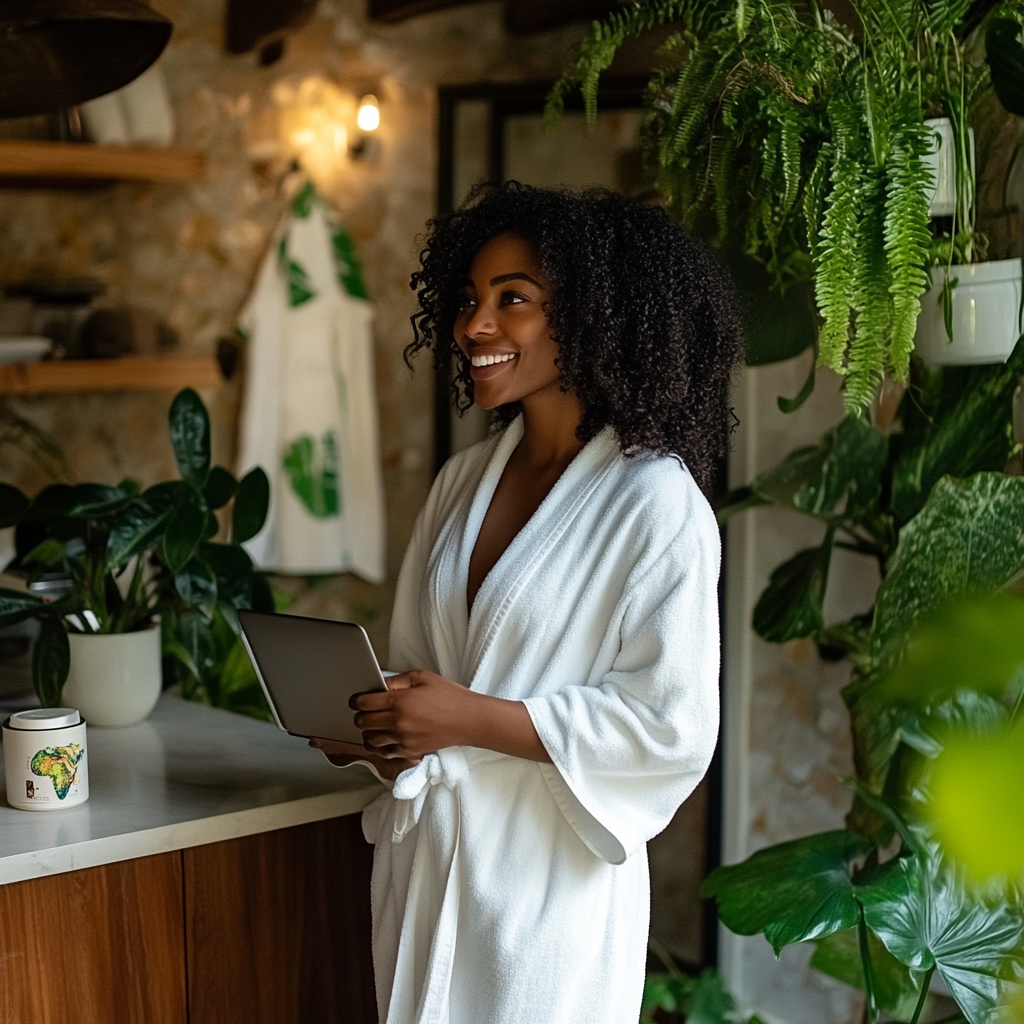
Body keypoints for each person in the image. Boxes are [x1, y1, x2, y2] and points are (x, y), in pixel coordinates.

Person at [311, 181, 742, 1024]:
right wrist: (383, 732)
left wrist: (468, 721)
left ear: (593, 315)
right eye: (471, 300)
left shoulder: (655, 502)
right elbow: (422, 669)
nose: (475, 326)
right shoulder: (462, 481)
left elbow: (671, 726)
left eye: (514, 300)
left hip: (548, 899)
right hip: (429, 875)